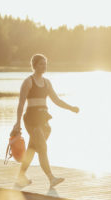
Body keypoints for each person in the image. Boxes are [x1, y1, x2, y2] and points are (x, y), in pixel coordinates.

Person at [12, 54, 79, 188]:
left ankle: (20, 176)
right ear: (35, 65)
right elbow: (21, 104)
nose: (44, 66)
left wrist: (70, 108)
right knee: (42, 147)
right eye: (41, 64)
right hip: (31, 119)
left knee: (32, 149)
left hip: (43, 119)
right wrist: (18, 123)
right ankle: (51, 178)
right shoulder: (28, 82)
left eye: (45, 64)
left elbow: (56, 100)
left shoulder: (47, 82)